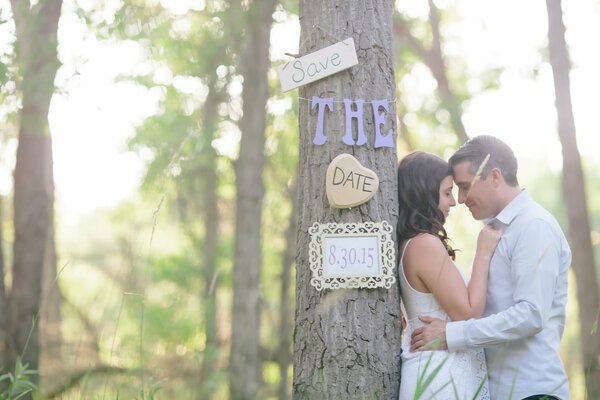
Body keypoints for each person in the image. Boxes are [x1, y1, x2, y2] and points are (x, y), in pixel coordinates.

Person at [410, 136, 571, 400]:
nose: (460, 199)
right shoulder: (494, 231)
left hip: (531, 392)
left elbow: (531, 314)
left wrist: (452, 334)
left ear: (494, 177)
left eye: (464, 187)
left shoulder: (534, 226)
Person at [397, 151, 502, 399]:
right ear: (425, 194)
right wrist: (483, 253)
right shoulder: (425, 244)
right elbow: (468, 313)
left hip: (439, 372)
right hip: (440, 377)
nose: (453, 202)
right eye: (446, 193)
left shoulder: (412, 243)